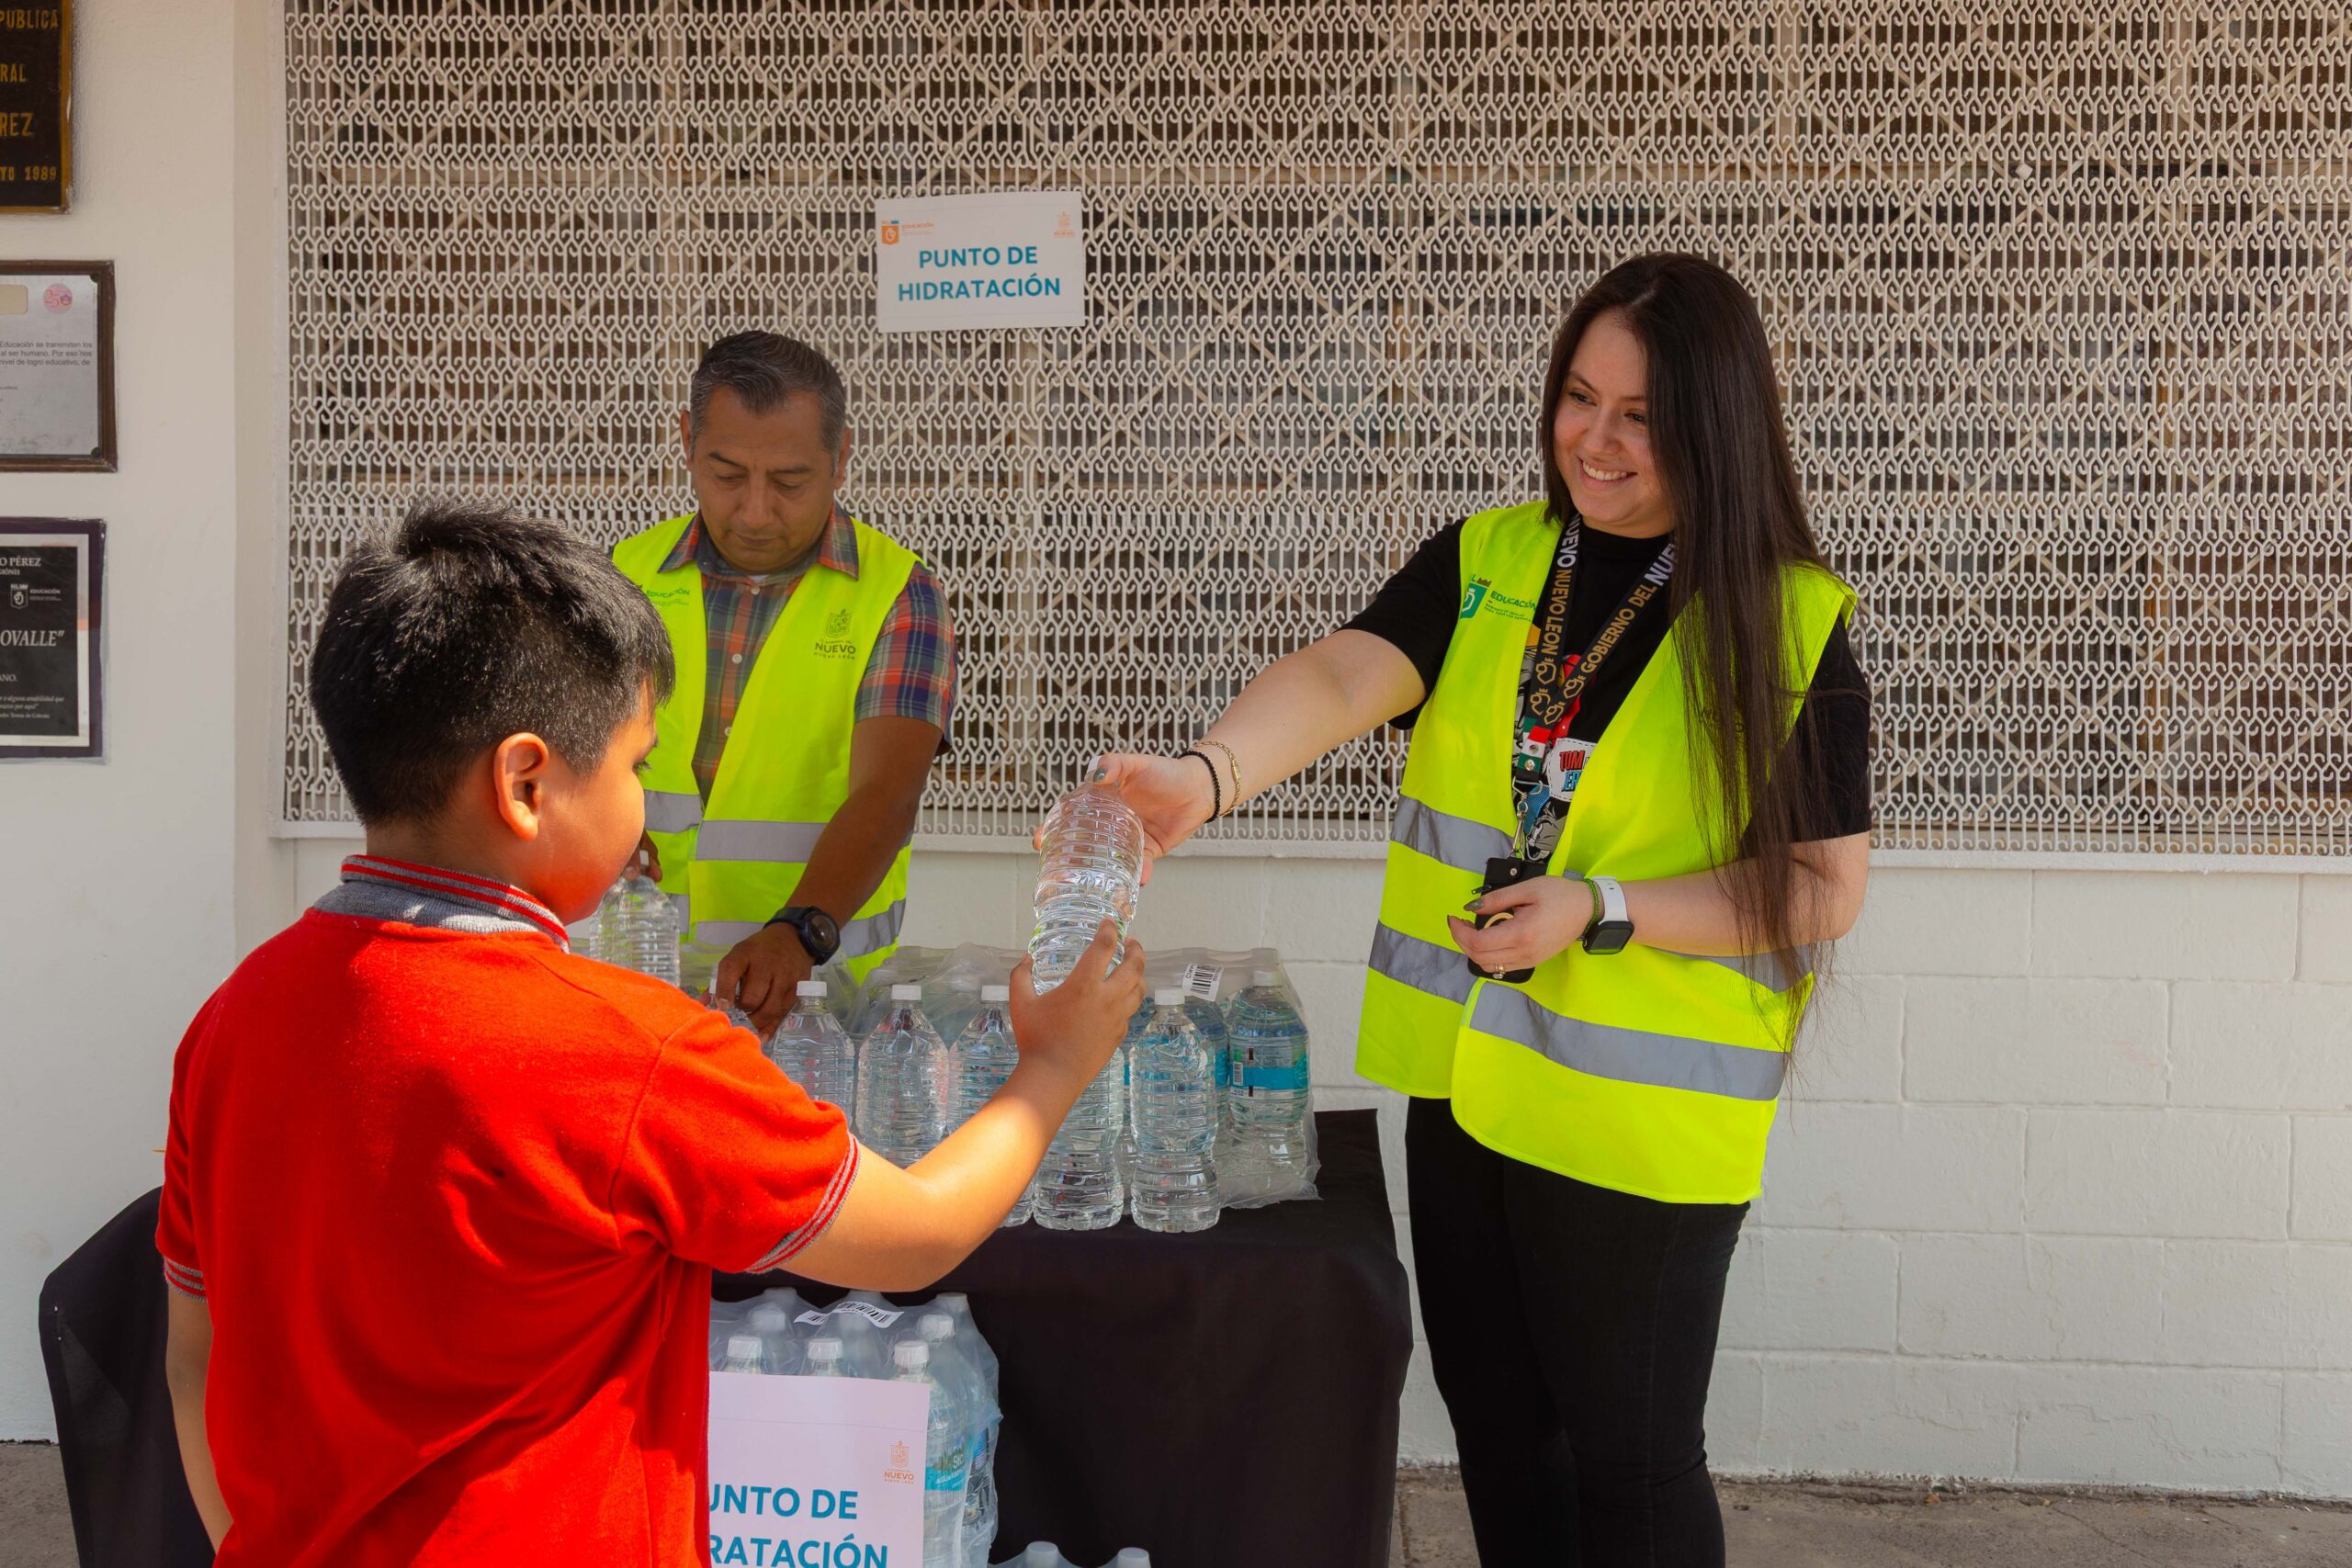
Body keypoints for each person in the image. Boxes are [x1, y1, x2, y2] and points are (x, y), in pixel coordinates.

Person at [158, 500, 1142, 1564]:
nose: (643, 808)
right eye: (636, 767)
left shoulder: (235, 1018)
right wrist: (1052, 1062)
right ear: (527, 783)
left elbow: (193, 1354)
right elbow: (916, 1237)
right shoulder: (627, 1054)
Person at [1096, 254, 1871, 1566]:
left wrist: (1602, 904)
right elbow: (1350, 670)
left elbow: (1818, 884)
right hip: (1465, 1090)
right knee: (1503, 1442)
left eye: (1643, 412)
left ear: (1717, 421)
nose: (1597, 439)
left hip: (1643, 1121)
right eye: (1580, 396)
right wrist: (1209, 774)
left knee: (1630, 1462)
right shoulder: (1496, 557)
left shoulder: (1790, 620)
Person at [612, 331, 956, 1031]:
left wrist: (799, 933)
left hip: (818, 1012)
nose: (756, 511)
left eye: (791, 481)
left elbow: (887, 795)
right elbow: (575, 759)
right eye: (727, 474)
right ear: (685, 440)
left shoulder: (896, 596)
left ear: (842, 458)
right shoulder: (625, 577)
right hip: (648, 998)